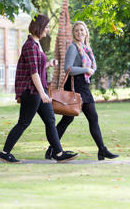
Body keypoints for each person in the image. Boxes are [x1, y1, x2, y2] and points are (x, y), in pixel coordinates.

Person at [0, 14, 78, 163]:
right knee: (23, 122)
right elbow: (33, 73)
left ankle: (58, 153)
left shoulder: (36, 45)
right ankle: (4, 153)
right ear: (39, 27)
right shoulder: (29, 46)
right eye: (46, 27)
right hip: (32, 91)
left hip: (39, 91)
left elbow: (37, 67)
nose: (47, 30)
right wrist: (42, 93)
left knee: (50, 120)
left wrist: (49, 63)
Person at [45, 21, 119, 161]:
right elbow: (68, 68)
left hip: (83, 85)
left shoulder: (86, 48)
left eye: (82, 30)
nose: (79, 33)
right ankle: (101, 150)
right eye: (77, 31)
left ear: (86, 32)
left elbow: (92, 67)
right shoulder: (73, 48)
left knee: (73, 119)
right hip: (75, 86)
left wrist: (89, 70)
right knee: (80, 118)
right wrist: (86, 69)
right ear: (74, 33)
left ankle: (51, 150)